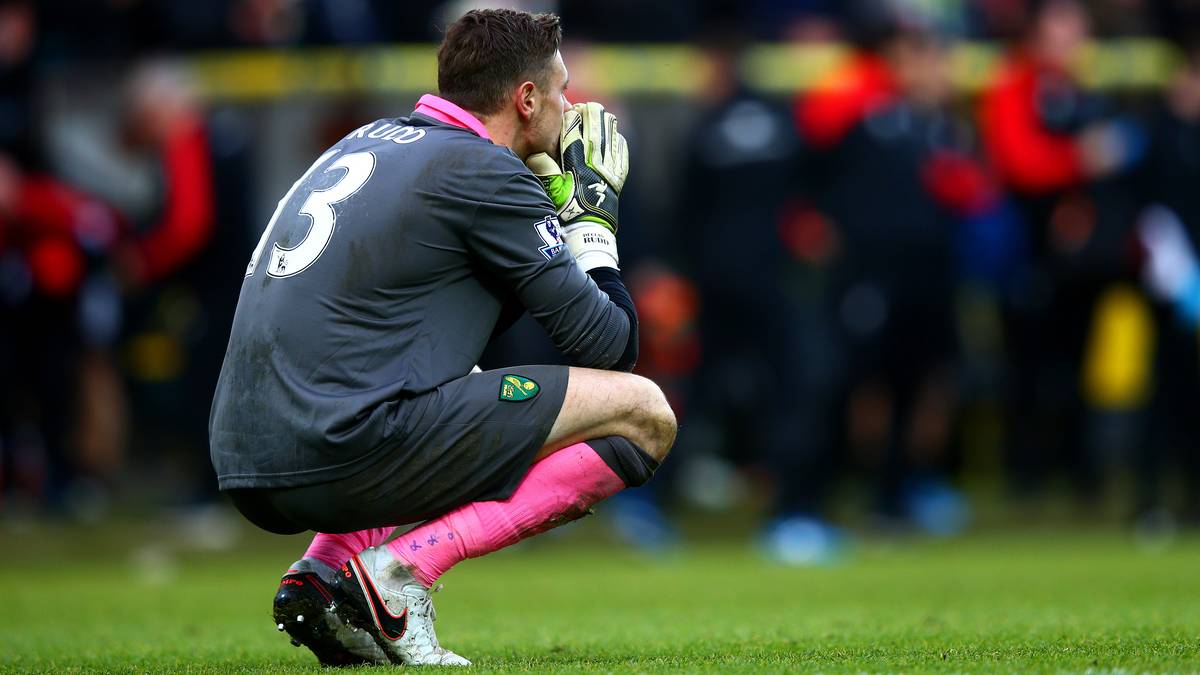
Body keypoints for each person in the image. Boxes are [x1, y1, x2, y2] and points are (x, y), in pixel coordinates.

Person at [208, 9, 676, 667]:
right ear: (527, 98)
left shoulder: (371, 138)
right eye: (563, 91)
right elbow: (609, 346)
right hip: (334, 448)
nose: (571, 108)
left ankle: (324, 569)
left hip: (243, 457)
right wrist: (592, 221)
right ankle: (401, 572)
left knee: (456, 378)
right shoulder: (483, 172)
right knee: (643, 414)